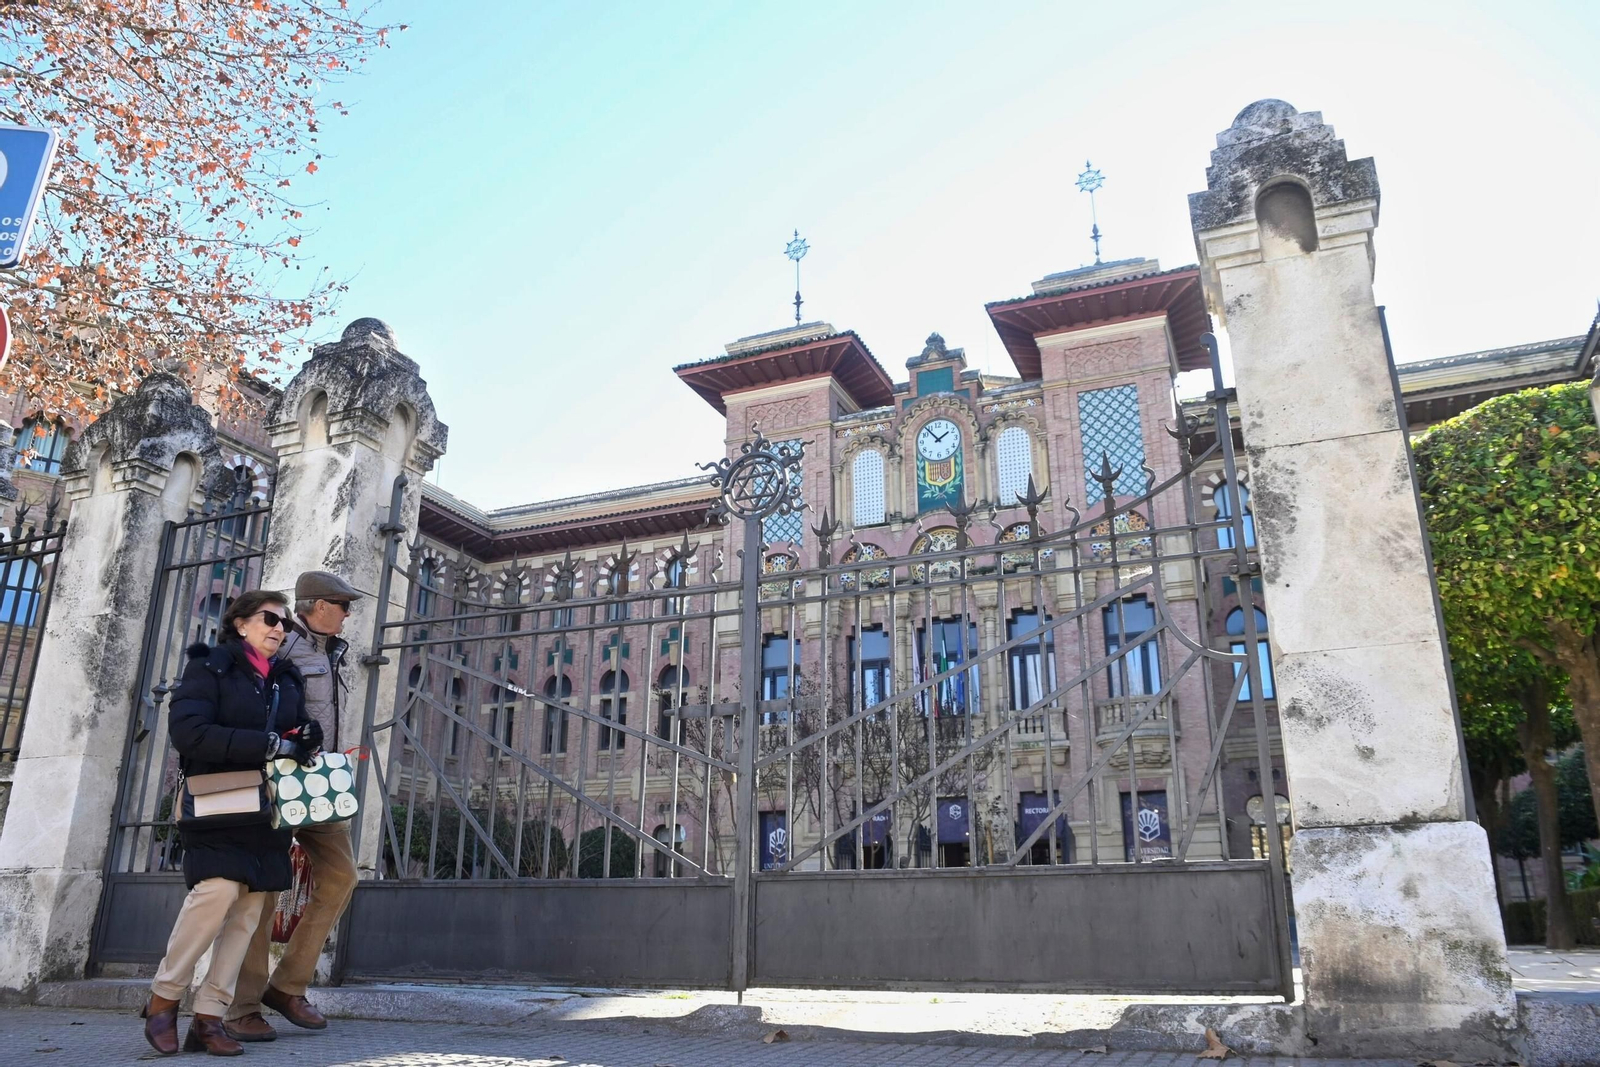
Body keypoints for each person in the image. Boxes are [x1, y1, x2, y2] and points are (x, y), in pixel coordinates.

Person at [142, 589, 320, 1056]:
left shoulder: (286, 677)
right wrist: (267, 745)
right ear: (240, 623)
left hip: (266, 812)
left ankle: (209, 1017)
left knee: (247, 913)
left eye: (286, 625)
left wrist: (305, 737)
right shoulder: (209, 667)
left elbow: (295, 731)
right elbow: (189, 733)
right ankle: (163, 999)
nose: (280, 629)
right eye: (270, 619)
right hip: (218, 804)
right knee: (216, 893)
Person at [225, 571, 362, 1041]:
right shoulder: (283, 646)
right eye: (344, 606)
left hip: (319, 783)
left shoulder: (331, 651)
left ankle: (287, 986)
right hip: (277, 779)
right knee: (261, 891)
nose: (348, 614)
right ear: (320, 606)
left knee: (342, 874)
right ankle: (242, 1008)